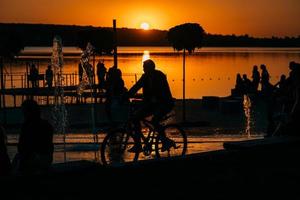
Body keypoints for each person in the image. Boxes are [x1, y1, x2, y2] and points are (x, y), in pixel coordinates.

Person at [124, 59, 175, 153]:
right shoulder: (145, 77)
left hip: (165, 103)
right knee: (135, 118)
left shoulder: (159, 76)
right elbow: (136, 86)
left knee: (155, 120)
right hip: (152, 104)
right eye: (143, 68)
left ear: (151, 68)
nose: (143, 70)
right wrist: (126, 95)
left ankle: (165, 141)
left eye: (145, 68)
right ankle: (138, 145)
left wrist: (153, 98)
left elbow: (161, 91)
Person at [13, 99, 54, 174]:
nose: (23, 114)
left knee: (18, 159)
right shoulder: (47, 125)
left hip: (34, 160)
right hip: (46, 159)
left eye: (24, 112)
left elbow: (22, 147)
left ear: (28, 112)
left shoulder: (27, 126)